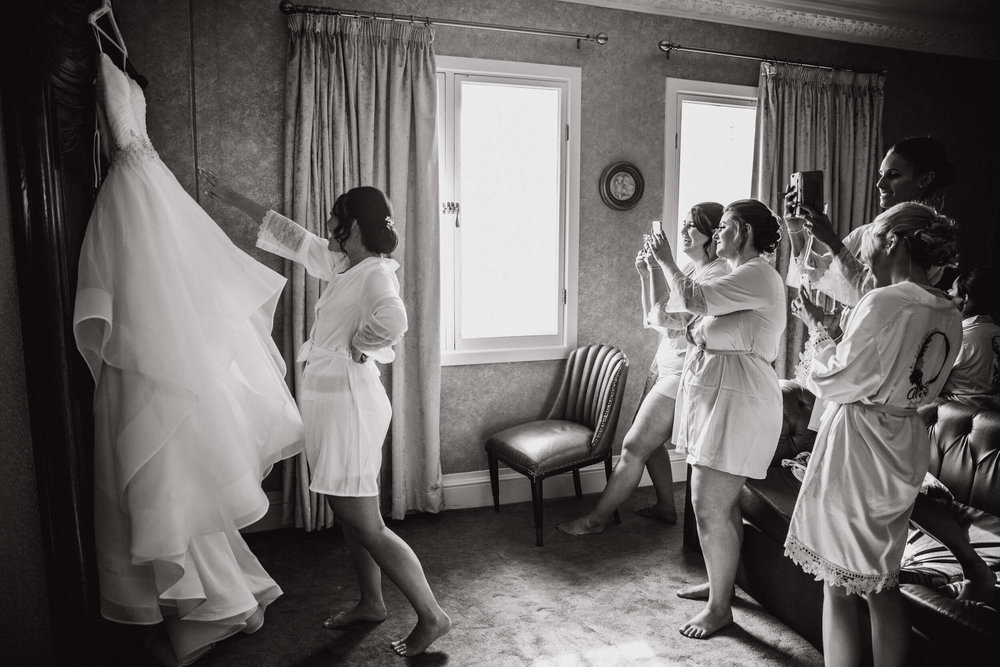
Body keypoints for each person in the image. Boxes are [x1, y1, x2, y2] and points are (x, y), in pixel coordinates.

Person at [75, 16, 305, 664]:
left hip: (139, 192)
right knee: (159, 367)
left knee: (155, 366)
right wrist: (228, 197)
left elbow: (305, 245)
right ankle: (208, 593)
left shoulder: (100, 50)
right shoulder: (107, 50)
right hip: (145, 192)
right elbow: (298, 239)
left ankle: (209, 599)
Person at [200, 172, 451, 657]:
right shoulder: (345, 264)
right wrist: (234, 195)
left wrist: (362, 344)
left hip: (350, 409)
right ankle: (371, 603)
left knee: (366, 522)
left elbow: (393, 319)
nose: (328, 222)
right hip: (331, 405)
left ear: (351, 223)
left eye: (335, 215)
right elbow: (294, 238)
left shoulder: (375, 273)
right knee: (349, 515)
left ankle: (432, 615)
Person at [784, 202, 962, 666]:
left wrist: (820, 337)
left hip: (862, 442)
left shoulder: (886, 301)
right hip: (904, 441)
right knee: (881, 582)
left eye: (871, 249)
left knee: (839, 584)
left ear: (895, 244)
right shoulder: (949, 311)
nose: (867, 262)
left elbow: (838, 379)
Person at [649, 199, 786, 639]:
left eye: (725, 226)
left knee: (708, 507)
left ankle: (720, 609)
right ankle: (720, 584)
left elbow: (693, 303)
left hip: (740, 402)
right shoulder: (737, 277)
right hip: (719, 398)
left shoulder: (758, 274)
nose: (719, 233)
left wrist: (668, 261)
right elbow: (687, 321)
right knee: (717, 507)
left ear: (743, 231)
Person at [557, 204, 729, 536]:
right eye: (683, 224)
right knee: (648, 445)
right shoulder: (692, 271)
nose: (682, 232)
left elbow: (670, 319)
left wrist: (662, 264)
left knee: (635, 445)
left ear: (712, 233)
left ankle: (595, 520)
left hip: (683, 374)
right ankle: (666, 507)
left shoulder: (716, 274)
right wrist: (647, 273)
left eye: (691, 226)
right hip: (665, 364)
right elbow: (657, 319)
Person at [941, 266, 1000, 402]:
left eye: (952, 289)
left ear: (965, 298)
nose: (947, 292)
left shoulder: (958, 337)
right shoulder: (996, 331)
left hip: (955, 417)